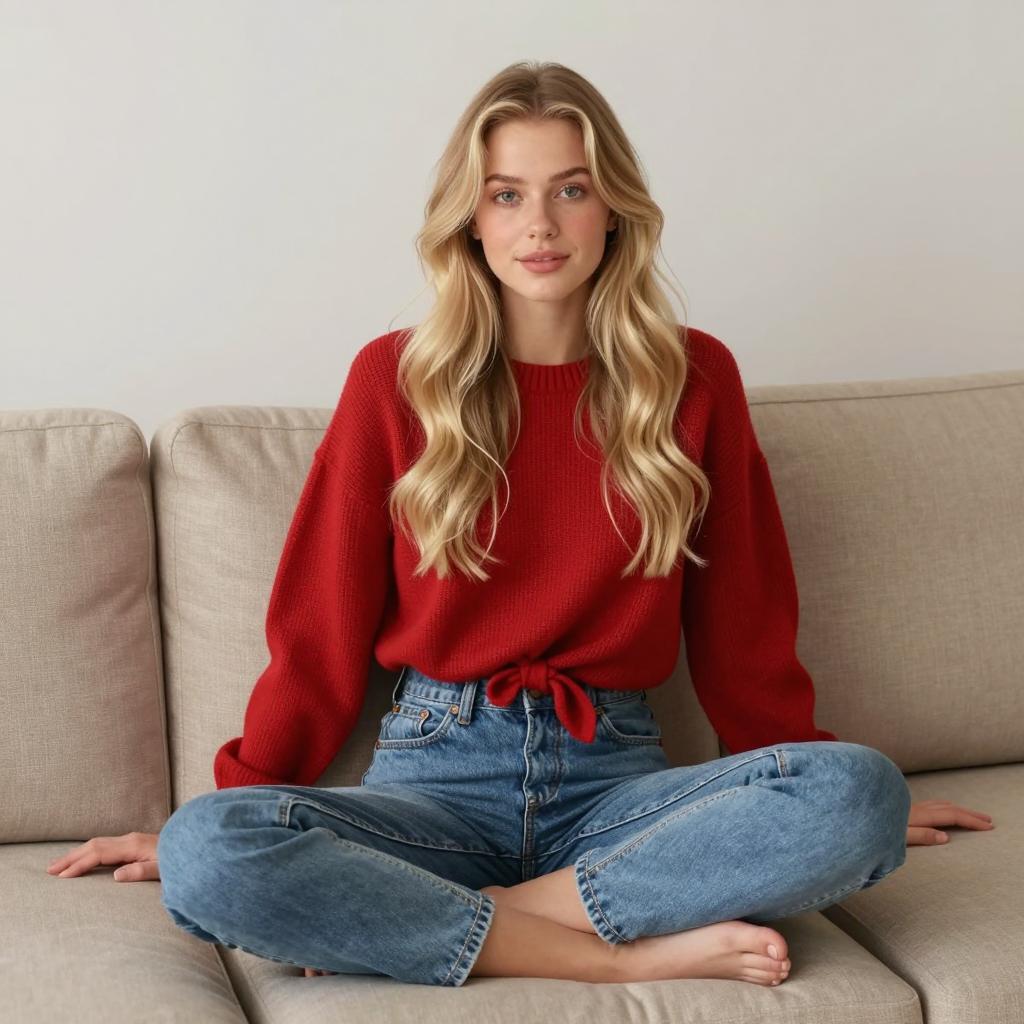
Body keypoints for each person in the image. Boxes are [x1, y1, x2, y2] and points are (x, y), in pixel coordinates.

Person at [45, 60, 995, 989]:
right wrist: (227, 802)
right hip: (432, 785)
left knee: (858, 792)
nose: (538, 225)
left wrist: (814, 785)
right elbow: (317, 635)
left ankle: (470, 918)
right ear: (470, 216)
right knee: (210, 851)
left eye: (569, 190)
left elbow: (742, 624)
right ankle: (600, 949)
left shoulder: (693, 378)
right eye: (505, 194)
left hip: (618, 787)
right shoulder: (396, 379)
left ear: (613, 206)